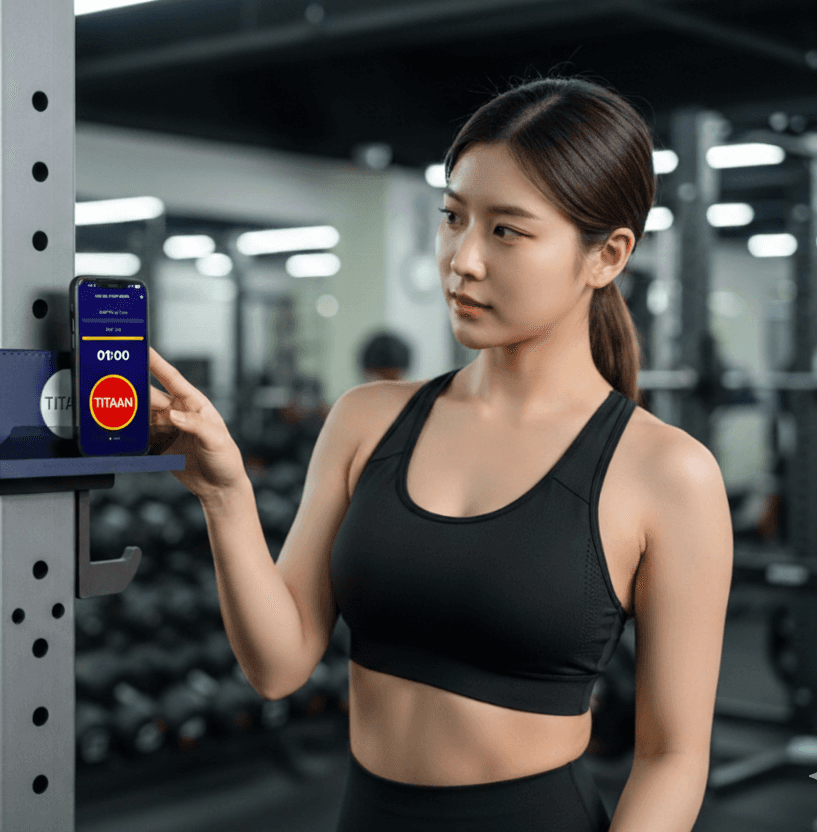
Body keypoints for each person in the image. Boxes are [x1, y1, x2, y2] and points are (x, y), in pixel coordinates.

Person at [147, 74, 733, 832]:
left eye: (507, 231)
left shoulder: (666, 473)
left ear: (606, 256)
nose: (462, 260)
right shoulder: (368, 420)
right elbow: (278, 665)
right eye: (453, 218)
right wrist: (224, 495)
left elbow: (673, 756)